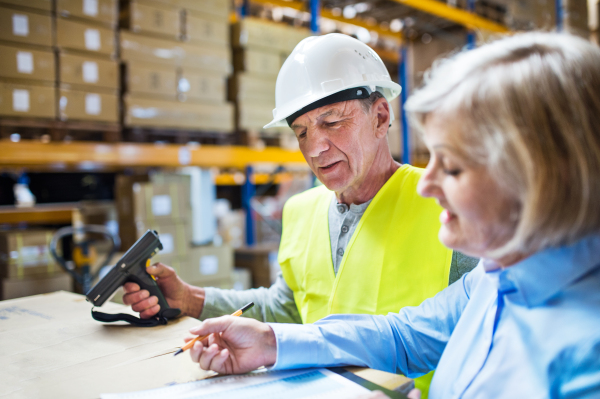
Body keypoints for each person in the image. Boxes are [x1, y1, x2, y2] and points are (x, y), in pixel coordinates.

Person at [182, 32, 600, 398]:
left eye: (452, 165)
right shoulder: (494, 279)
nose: (427, 183)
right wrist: (272, 343)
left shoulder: (587, 351)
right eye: (303, 132)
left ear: (537, 175)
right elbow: (401, 336)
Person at [123, 33, 477, 395]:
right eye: (302, 132)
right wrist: (190, 298)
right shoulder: (301, 210)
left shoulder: (448, 207)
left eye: (332, 122)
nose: (316, 148)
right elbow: (288, 309)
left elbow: (479, 331)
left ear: (381, 117)